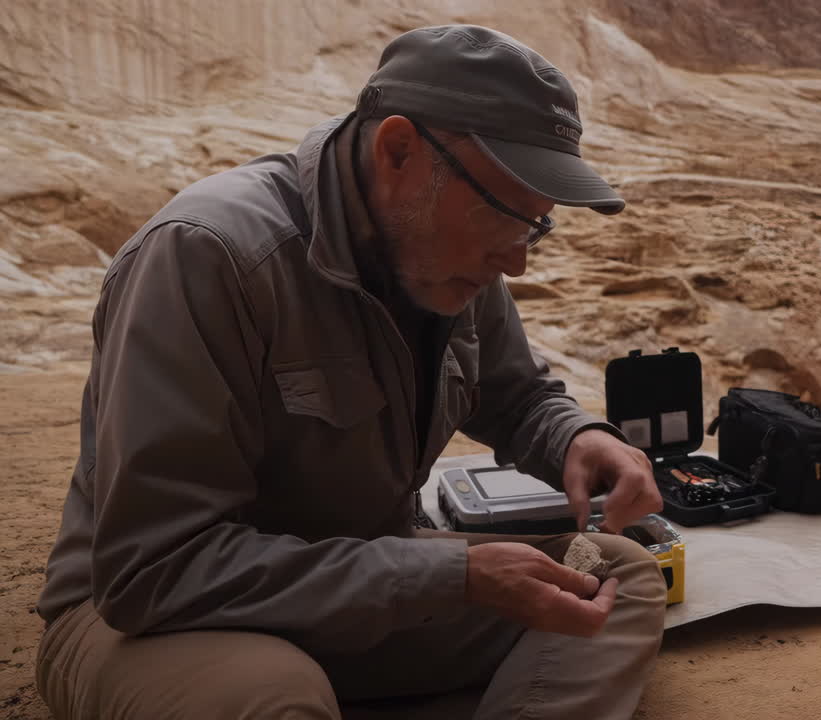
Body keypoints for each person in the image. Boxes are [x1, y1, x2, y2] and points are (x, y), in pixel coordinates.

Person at [34, 24, 668, 720]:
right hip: (159, 616)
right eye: (506, 213)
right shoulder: (207, 256)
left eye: (535, 226)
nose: (516, 261)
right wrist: (446, 575)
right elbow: (153, 569)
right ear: (397, 150)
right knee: (271, 695)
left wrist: (576, 438)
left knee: (615, 575)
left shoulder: (452, 253)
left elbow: (517, 395)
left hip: (357, 584)